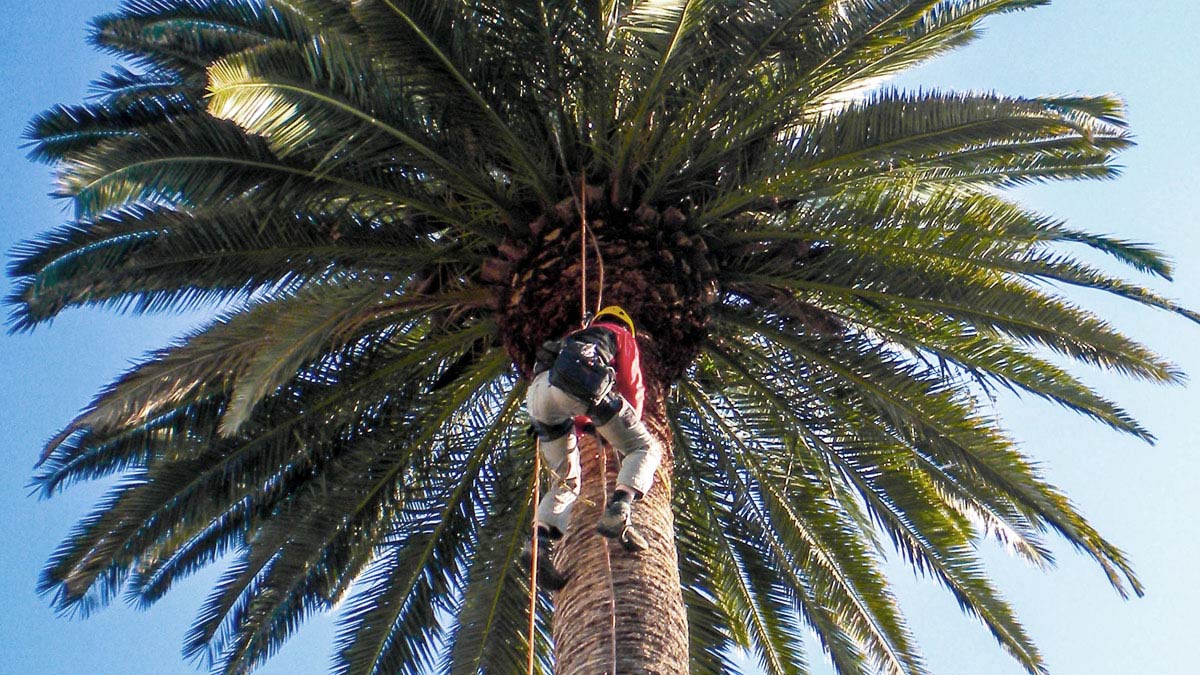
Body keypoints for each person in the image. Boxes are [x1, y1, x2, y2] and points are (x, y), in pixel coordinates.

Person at [521, 305, 662, 590]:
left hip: (537, 399)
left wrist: (587, 426)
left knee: (566, 482)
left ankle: (539, 542)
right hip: (577, 387)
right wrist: (621, 428)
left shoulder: (572, 340)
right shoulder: (619, 333)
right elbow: (632, 384)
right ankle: (619, 509)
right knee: (644, 448)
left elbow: (565, 392)